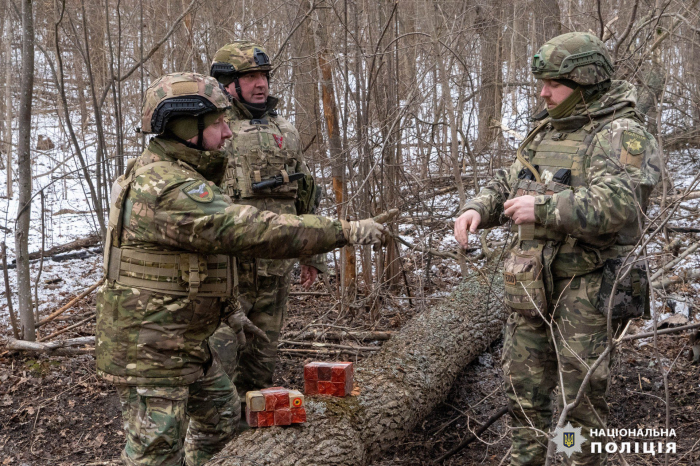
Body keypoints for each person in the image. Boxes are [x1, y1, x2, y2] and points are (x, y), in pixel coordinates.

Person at [95, 71, 389, 466]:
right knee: (155, 455)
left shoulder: (171, 171)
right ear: (186, 127)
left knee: (221, 418)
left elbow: (194, 258)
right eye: (217, 123)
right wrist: (344, 231)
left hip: (182, 342)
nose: (228, 132)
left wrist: (228, 307)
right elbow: (250, 230)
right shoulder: (167, 187)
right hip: (152, 353)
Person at [453, 32, 660, 466]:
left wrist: (544, 208)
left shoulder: (621, 133)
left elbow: (622, 205)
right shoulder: (547, 128)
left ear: (584, 82)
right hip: (531, 287)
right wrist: (477, 207)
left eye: (554, 84)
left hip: (585, 289)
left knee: (579, 406)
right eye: (542, 83)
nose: (543, 92)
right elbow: (511, 182)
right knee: (523, 395)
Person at [207, 40, 325, 411]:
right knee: (216, 372)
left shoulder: (284, 129)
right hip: (227, 275)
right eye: (250, 76)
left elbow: (304, 191)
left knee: (260, 370)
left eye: (264, 76)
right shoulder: (213, 130)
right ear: (228, 83)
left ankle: (250, 446)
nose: (261, 84)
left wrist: (311, 252)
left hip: (274, 273)